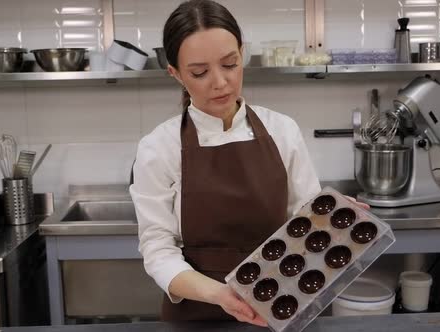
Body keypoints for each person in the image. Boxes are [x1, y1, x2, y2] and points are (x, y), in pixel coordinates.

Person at [130, 0, 322, 326]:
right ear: (175, 74)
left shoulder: (282, 131)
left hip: (282, 306)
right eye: (200, 72)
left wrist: (332, 217)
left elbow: (306, 222)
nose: (220, 82)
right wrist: (221, 294)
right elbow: (158, 251)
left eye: (230, 64)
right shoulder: (158, 148)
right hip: (198, 313)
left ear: (242, 55)